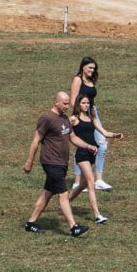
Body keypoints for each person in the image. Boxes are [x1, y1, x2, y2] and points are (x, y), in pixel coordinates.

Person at [23, 91, 99, 236]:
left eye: (67, 103)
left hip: (61, 162)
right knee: (63, 194)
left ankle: (31, 222)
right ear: (56, 102)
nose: (66, 106)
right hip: (51, 162)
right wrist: (29, 162)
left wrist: (87, 146)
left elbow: (72, 137)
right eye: (64, 103)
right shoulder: (47, 118)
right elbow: (35, 140)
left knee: (48, 192)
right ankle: (74, 226)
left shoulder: (64, 119)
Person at [65, 95, 122, 224]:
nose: (86, 105)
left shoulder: (92, 118)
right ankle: (97, 215)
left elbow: (104, 132)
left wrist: (115, 135)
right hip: (82, 154)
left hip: (92, 153)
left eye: (88, 103)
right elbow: (63, 131)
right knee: (91, 182)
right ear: (78, 104)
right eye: (84, 103)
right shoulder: (73, 119)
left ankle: (64, 203)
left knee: (83, 184)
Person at [69, 56, 113, 190]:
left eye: (94, 68)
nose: (92, 70)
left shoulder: (90, 80)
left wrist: (91, 113)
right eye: (90, 68)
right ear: (83, 67)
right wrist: (79, 116)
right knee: (82, 146)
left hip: (93, 113)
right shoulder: (77, 80)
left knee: (102, 145)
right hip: (82, 115)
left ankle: (98, 179)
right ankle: (77, 182)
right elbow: (73, 100)